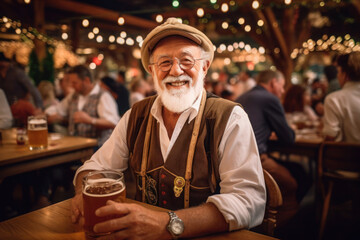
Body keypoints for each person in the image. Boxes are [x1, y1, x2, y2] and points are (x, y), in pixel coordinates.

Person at [71, 18, 266, 239]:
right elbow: (95, 168)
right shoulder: (135, 115)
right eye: (164, 62)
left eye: (186, 60)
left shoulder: (230, 117)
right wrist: (82, 191)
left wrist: (166, 225)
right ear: (152, 71)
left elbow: (249, 200)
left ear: (204, 67)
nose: (175, 70)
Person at [236, 70, 309, 228]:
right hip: (255, 161)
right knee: (298, 179)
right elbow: (288, 137)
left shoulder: (242, 97)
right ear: (273, 83)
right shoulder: (269, 98)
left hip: (236, 159)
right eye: (282, 86)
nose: (283, 91)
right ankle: (285, 227)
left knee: (297, 169)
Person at [45, 65, 120, 147]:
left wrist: (90, 120)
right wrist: (48, 115)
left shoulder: (103, 96)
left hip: (97, 149)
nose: (72, 86)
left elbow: (113, 122)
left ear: (87, 80)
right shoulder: (74, 95)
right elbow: (59, 109)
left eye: (75, 83)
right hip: (75, 146)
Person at [322, 52, 360, 142]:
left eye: (338, 71)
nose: (337, 76)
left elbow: (331, 136)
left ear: (345, 74)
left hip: (346, 155)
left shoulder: (333, 99)